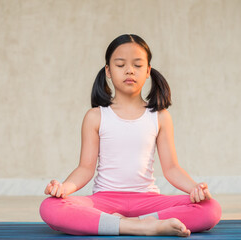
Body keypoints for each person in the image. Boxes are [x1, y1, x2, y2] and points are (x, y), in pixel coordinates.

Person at [39, 34, 221, 237]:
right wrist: (63, 188)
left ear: (148, 71)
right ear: (108, 70)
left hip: (148, 200)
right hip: (104, 201)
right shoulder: (95, 116)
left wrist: (196, 189)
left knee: (210, 208)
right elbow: (85, 168)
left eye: (137, 65)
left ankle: (122, 224)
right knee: (50, 207)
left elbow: (171, 168)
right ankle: (144, 226)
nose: (129, 70)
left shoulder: (160, 116)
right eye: (120, 64)